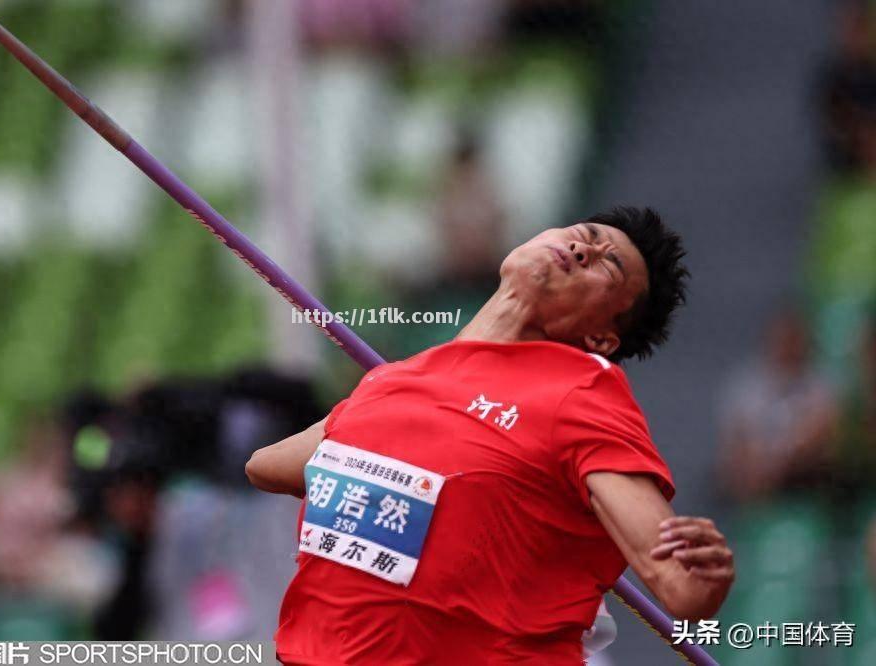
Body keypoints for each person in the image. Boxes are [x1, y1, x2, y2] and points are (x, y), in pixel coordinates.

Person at [246, 207, 735, 664]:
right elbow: (266, 466)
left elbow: (678, 582)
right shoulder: (391, 382)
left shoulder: (581, 392)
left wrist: (698, 580)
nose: (584, 251)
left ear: (602, 340)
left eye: (607, 267)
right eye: (583, 237)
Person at [718, 309, 839, 502]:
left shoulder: (820, 385)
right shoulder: (747, 386)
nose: (788, 347)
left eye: (793, 341)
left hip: (802, 477)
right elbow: (738, 441)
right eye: (783, 340)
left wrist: (777, 463)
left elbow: (817, 432)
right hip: (754, 477)